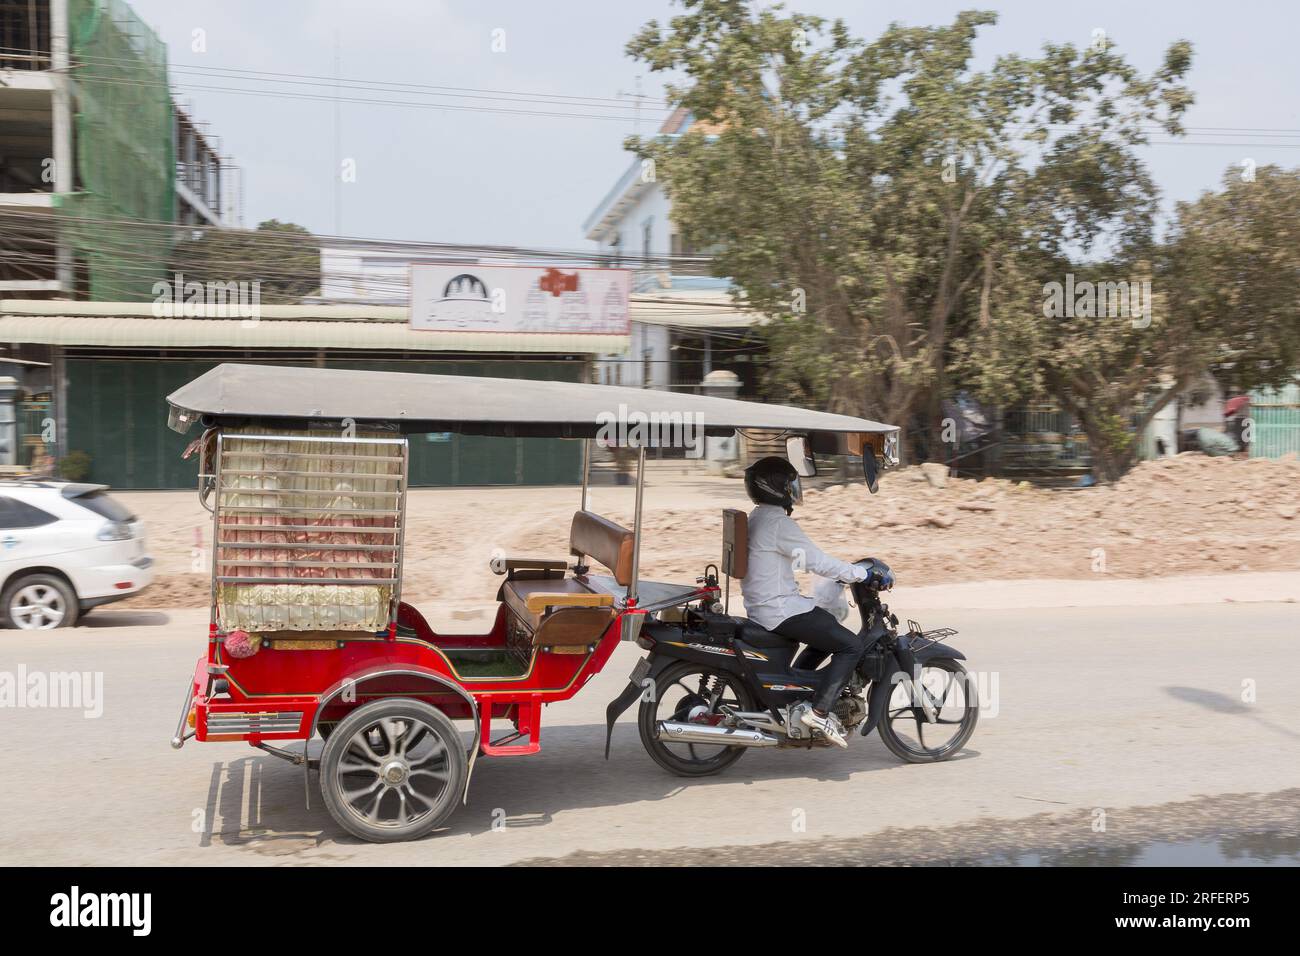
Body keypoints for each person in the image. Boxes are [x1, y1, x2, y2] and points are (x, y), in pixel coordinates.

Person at [739, 456, 884, 748]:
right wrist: (860, 573)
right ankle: (819, 712)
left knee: (826, 627)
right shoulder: (778, 523)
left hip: (766, 606)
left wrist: (846, 572)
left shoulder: (759, 517)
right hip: (779, 610)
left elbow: (811, 558)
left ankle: (802, 695)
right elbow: (817, 562)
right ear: (777, 487)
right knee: (851, 645)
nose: (795, 489)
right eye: (790, 483)